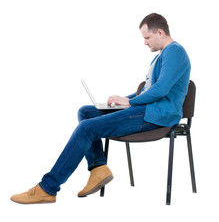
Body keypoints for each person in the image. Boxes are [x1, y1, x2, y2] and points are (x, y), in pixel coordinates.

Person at [11, 13, 191, 204]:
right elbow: (149, 89)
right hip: (147, 109)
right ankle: (98, 168)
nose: (145, 43)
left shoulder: (175, 52)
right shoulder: (163, 54)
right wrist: (124, 99)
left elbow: (161, 89)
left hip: (157, 115)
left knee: (86, 128)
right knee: (86, 112)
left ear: (160, 32)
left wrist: (129, 103)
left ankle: (47, 188)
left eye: (147, 38)